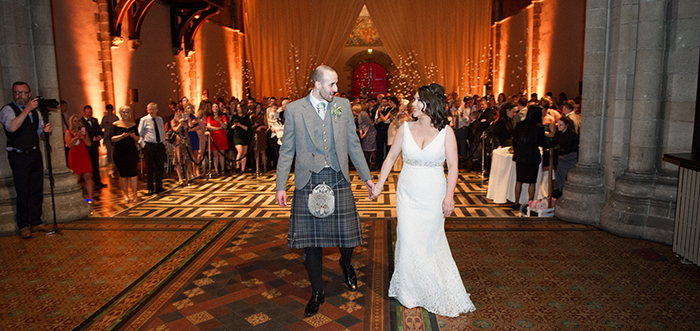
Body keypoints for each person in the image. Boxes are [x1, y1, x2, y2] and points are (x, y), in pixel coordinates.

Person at [275, 65, 375, 317]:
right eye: (331, 84)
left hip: (338, 177)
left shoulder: (341, 104)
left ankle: (346, 263)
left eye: (337, 84)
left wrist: (367, 178)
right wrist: (280, 185)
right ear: (317, 84)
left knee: (348, 235)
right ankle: (317, 292)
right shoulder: (295, 110)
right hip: (308, 180)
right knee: (311, 242)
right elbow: (287, 150)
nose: (336, 89)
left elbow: (353, 143)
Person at [373, 83, 476, 317]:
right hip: (408, 193)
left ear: (431, 104)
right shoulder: (404, 128)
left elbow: (453, 166)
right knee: (408, 238)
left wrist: (449, 195)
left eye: (418, 100)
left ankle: (430, 287)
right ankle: (409, 291)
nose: (413, 103)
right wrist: (379, 185)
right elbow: (390, 158)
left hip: (434, 194)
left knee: (429, 242)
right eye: (414, 99)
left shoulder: (446, 132)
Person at [1, 81, 53, 238]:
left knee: (36, 189)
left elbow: (40, 135)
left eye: (23, 93)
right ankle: (23, 225)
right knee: (23, 191)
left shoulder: (36, 113)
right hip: (18, 155)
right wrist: (27, 110)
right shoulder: (7, 110)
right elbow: (12, 127)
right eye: (17, 92)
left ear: (29, 94)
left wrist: (45, 132)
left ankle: (36, 221)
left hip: (35, 154)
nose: (20, 96)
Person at [512, 106, 548, 205]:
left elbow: (514, 142)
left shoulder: (519, 125)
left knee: (519, 180)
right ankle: (530, 203)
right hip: (533, 155)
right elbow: (543, 143)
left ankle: (516, 202)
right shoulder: (539, 128)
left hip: (520, 155)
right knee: (532, 182)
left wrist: (516, 151)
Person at [110, 105, 140, 203]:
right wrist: (122, 136)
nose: (125, 114)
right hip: (119, 152)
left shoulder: (133, 124)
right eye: (124, 112)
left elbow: (138, 139)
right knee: (123, 174)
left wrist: (133, 136)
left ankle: (135, 195)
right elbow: (112, 138)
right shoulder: (115, 124)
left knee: (133, 173)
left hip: (131, 151)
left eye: (127, 112)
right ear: (120, 113)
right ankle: (126, 195)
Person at [138, 102, 167, 195]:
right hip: (149, 146)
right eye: (150, 109)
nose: (151, 111)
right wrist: (143, 145)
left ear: (156, 110)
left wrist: (163, 143)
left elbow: (162, 131)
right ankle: (150, 187)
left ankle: (159, 186)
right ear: (147, 110)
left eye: (153, 109)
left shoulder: (159, 119)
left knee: (159, 167)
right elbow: (140, 133)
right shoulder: (144, 120)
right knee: (150, 168)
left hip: (159, 145)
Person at [65, 114, 94, 203]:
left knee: (88, 176)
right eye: (75, 121)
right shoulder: (68, 132)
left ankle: (90, 198)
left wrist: (83, 137)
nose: (77, 123)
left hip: (83, 154)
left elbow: (89, 144)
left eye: (78, 121)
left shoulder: (83, 131)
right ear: (71, 122)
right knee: (76, 178)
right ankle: (75, 197)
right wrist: (76, 137)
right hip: (74, 155)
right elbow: (69, 145)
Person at [550, 116, 579, 198]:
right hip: (562, 157)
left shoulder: (571, 134)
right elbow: (554, 142)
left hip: (570, 157)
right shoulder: (559, 133)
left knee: (567, 175)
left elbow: (570, 147)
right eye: (558, 125)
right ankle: (561, 191)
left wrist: (558, 151)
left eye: (561, 125)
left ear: (566, 125)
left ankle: (568, 193)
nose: (558, 126)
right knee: (559, 175)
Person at [82, 105, 105, 187]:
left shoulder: (95, 120)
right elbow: (84, 134)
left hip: (95, 146)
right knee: (87, 165)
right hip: (86, 146)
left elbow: (99, 130)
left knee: (95, 164)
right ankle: (87, 182)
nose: (89, 114)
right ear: (84, 112)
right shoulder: (81, 122)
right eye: (87, 112)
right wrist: (92, 138)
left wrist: (100, 136)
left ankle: (97, 181)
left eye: (90, 112)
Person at [207, 103, 228, 175]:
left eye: (216, 106)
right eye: (213, 107)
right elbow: (209, 127)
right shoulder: (209, 117)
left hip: (222, 137)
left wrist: (219, 120)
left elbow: (225, 126)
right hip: (214, 137)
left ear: (218, 108)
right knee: (215, 154)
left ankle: (222, 169)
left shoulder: (223, 116)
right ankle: (216, 170)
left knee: (222, 154)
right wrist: (218, 128)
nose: (215, 108)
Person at [230, 103, 251, 173]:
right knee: (240, 151)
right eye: (237, 107)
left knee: (244, 153)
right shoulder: (234, 117)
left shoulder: (246, 118)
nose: (238, 109)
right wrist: (235, 125)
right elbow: (231, 127)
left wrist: (240, 125)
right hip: (237, 136)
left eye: (239, 107)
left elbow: (248, 128)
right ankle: (237, 167)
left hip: (244, 136)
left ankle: (243, 168)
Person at [171, 107, 190, 183]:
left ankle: (188, 175)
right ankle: (180, 178)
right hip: (178, 141)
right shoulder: (174, 121)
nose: (180, 113)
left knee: (187, 159)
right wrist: (180, 123)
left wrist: (188, 119)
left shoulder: (185, 120)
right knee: (178, 160)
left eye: (182, 111)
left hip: (186, 141)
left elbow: (190, 126)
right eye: (179, 111)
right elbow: (176, 129)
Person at [101, 104, 119, 177]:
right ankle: (111, 165)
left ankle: (115, 166)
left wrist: (111, 124)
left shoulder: (115, 117)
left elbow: (118, 126)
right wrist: (105, 124)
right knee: (109, 151)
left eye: (110, 110)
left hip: (113, 136)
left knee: (113, 151)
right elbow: (101, 126)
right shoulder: (104, 117)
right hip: (107, 137)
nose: (109, 111)